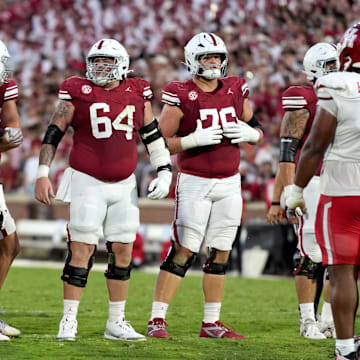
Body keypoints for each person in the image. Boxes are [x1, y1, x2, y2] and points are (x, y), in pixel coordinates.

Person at [34, 38, 172, 342]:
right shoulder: (77, 90)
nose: (100, 67)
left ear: (121, 64)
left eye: (107, 62)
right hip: (87, 180)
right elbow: (54, 131)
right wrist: (43, 173)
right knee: (81, 247)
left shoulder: (137, 92)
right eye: (96, 62)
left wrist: (164, 170)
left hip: (124, 184)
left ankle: (116, 321)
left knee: (123, 249)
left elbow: (152, 133)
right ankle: (68, 320)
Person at [146, 32, 264, 339]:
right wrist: (190, 140)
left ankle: (211, 323)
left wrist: (252, 135)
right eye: (206, 58)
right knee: (185, 247)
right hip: (195, 182)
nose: (213, 63)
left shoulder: (236, 88)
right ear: (192, 61)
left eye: (217, 58)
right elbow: (158, 143)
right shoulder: (180, 93)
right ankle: (157, 318)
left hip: (229, 183)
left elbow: (255, 127)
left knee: (221, 251)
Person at [286, 23, 360, 360]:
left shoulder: (334, 86)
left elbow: (314, 146)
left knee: (341, 267)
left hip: (341, 187)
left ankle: (344, 348)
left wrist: (294, 189)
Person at [267, 42, 337, 340]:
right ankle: (308, 320)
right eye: (332, 64)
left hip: (343, 181)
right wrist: (286, 192)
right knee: (310, 252)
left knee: (341, 257)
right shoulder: (303, 96)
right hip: (311, 183)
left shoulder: (350, 96)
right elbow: (287, 152)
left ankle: (329, 319)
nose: (339, 70)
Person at [0, 40, 23, 342]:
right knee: (9, 243)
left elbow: (13, 119)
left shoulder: (5, 87)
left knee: (10, 245)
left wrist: (12, 133)